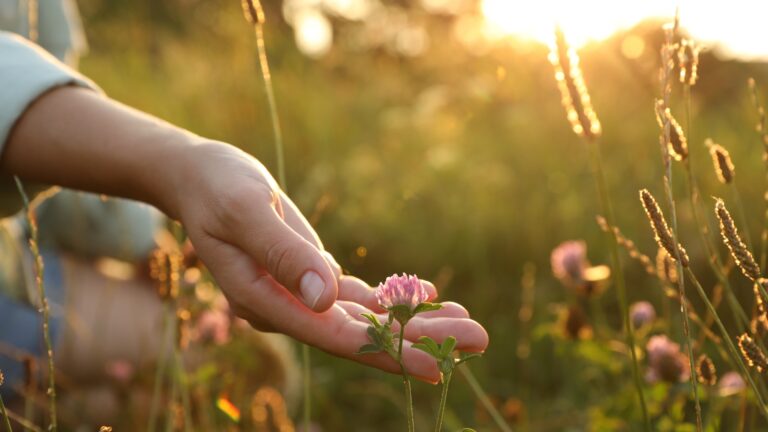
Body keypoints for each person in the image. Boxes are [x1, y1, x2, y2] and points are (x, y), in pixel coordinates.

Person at [0, 0, 488, 409]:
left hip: (18, 262)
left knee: (253, 364)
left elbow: (43, 138)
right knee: (255, 371)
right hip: (10, 286)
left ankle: (72, 408)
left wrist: (141, 230)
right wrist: (178, 172)